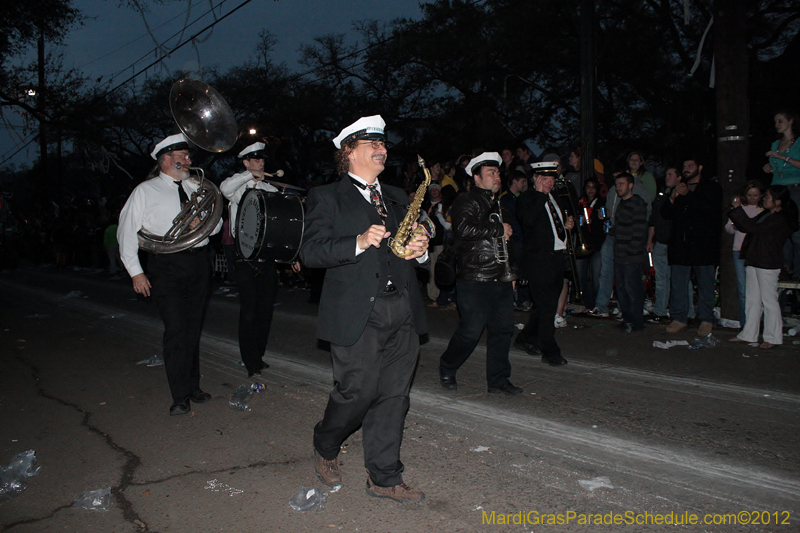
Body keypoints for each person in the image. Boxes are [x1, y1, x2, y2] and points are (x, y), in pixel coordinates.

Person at [299, 115, 429, 504]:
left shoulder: (398, 195)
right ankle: (326, 440)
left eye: (384, 144)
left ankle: (385, 477)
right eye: (371, 144)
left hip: (402, 307)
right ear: (348, 152)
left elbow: (408, 243)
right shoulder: (325, 197)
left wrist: (419, 249)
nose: (382, 149)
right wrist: (356, 241)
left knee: (393, 396)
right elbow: (310, 252)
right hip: (358, 313)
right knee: (358, 392)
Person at [117, 133, 221, 416]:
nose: (188, 161)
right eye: (182, 157)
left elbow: (215, 227)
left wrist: (204, 222)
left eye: (188, 157)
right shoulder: (145, 190)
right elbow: (125, 233)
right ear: (166, 159)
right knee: (176, 330)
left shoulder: (198, 187)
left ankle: (193, 386)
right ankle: (179, 396)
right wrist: (136, 273)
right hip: (166, 266)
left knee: (193, 328)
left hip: (199, 263)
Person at [438, 152, 523, 395]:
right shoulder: (466, 200)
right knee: (470, 331)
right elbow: (463, 229)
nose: (497, 177)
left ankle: (498, 380)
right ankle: (448, 365)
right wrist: (497, 228)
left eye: (497, 172)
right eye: (490, 173)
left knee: (503, 331)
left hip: (501, 278)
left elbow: (509, 244)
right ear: (476, 178)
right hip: (475, 279)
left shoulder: (501, 205)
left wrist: (513, 273)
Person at [220, 142, 299, 377]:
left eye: (262, 160)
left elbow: (281, 227)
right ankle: (250, 360)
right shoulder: (237, 187)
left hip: (268, 258)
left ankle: (258, 355)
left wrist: (291, 254)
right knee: (249, 311)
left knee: (265, 311)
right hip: (244, 257)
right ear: (246, 162)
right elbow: (224, 189)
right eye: (255, 160)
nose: (261, 163)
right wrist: (248, 175)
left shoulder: (270, 189)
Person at [513, 161, 573, 366]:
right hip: (539, 261)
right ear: (536, 179)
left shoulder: (553, 197)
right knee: (548, 307)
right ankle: (549, 350)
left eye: (552, 179)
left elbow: (552, 224)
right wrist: (539, 194)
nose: (550, 183)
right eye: (545, 179)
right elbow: (528, 221)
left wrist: (566, 226)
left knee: (543, 306)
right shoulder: (527, 198)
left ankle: (525, 338)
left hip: (556, 258)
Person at [729, 186, 799, 348]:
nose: (764, 199)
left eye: (767, 197)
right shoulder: (766, 214)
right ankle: (749, 333)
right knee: (753, 299)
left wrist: (738, 209)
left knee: (769, 300)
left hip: (768, 262)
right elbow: (748, 226)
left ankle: (773, 337)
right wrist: (737, 211)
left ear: (777, 202)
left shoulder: (780, 219)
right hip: (755, 259)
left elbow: (753, 228)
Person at [660, 157, 722, 335]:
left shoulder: (711, 188)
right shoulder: (678, 188)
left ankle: (705, 319)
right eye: (684, 166)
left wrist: (688, 195)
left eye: (690, 166)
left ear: (700, 167)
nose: (686, 169)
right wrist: (672, 198)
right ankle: (679, 317)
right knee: (678, 284)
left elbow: (708, 210)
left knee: (705, 285)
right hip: (681, 246)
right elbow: (665, 214)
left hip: (703, 246)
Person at [762, 110, 800, 278]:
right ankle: (784, 269)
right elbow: (775, 166)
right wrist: (768, 168)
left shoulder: (798, 143)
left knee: (796, 232)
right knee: (778, 230)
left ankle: (798, 272)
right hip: (777, 189)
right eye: (775, 122)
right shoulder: (775, 144)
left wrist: (782, 157)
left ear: (791, 121)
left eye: (780, 121)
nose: (777, 125)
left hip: (795, 188)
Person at [724, 180, 764, 327]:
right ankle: (745, 323)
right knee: (743, 289)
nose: (753, 198)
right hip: (739, 251)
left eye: (756, 195)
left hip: (756, 252)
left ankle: (759, 322)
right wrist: (735, 226)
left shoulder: (763, 210)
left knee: (759, 288)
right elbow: (728, 228)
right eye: (750, 195)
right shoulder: (739, 208)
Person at [612, 173, 649, 333]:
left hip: (630, 256)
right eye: (617, 185)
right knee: (622, 289)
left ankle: (636, 322)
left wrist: (631, 251)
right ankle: (627, 319)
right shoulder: (622, 203)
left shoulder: (637, 203)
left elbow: (639, 230)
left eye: (621, 184)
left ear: (630, 185)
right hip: (620, 254)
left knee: (632, 289)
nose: (618, 187)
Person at [500, 169, 530, 311]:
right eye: (522, 181)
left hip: (523, 238)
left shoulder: (523, 197)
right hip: (514, 239)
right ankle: (512, 299)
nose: (524, 184)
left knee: (523, 269)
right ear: (515, 181)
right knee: (514, 268)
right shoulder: (505, 199)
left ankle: (523, 299)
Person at [575, 178, 605, 311]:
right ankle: (588, 304)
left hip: (597, 244)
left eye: (593, 187)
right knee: (581, 276)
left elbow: (605, 221)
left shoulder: (601, 202)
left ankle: (598, 304)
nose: (591, 190)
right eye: (588, 187)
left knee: (596, 277)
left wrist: (600, 219)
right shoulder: (579, 202)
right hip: (583, 244)